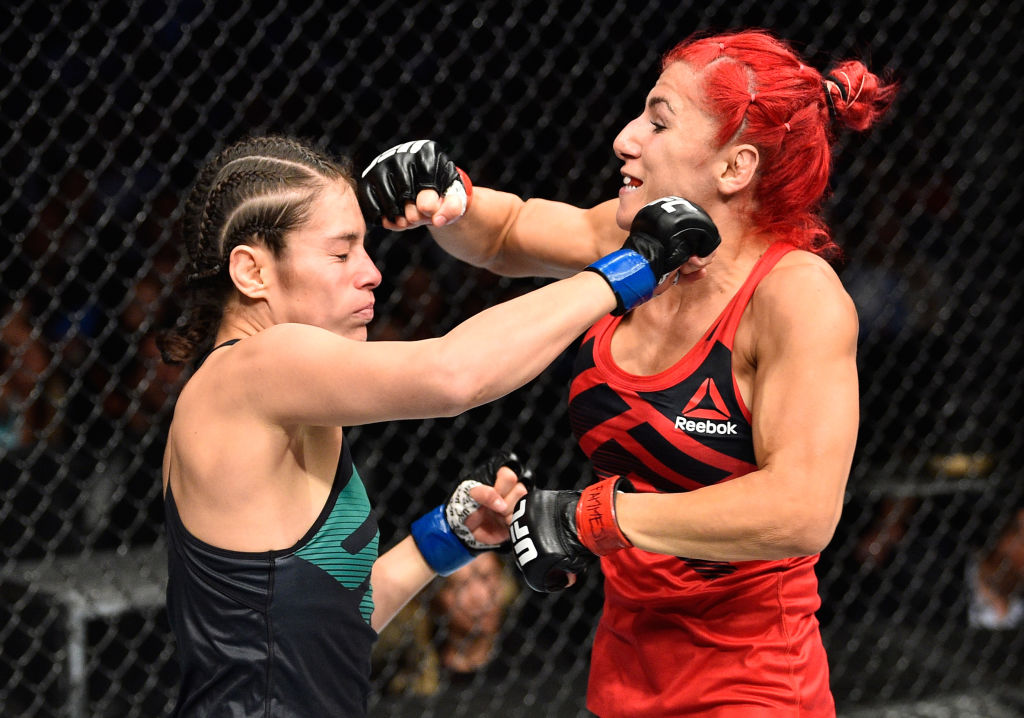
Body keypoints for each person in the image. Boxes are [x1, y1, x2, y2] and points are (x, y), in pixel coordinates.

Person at [359, 29, 897, 717]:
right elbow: (506, 233)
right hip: (624, 667)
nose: (625, 138)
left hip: (752, 685)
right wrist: (449, 194)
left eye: (658, 119)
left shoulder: (795, 296)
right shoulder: (637, 246)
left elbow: (801, 510)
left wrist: (590, 518)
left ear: (734, 167)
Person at [155, 135, 717, 717]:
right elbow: (455, 375)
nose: (371, 274)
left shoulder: (282, 403)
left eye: (365, 250)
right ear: (252, 271)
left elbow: (328, 629)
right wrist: (634, 266)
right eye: (341, 253)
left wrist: (447, 538)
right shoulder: (255, 368)